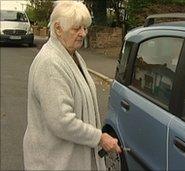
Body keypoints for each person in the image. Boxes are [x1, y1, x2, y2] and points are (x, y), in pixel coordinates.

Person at [23, 1, 121, 170]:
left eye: (85, 28)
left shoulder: (72, 55)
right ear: (58, 29)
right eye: (76, 28)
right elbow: (62, 121)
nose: (83, 33)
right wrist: (100, 138)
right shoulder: (50, 63)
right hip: (54, 162)